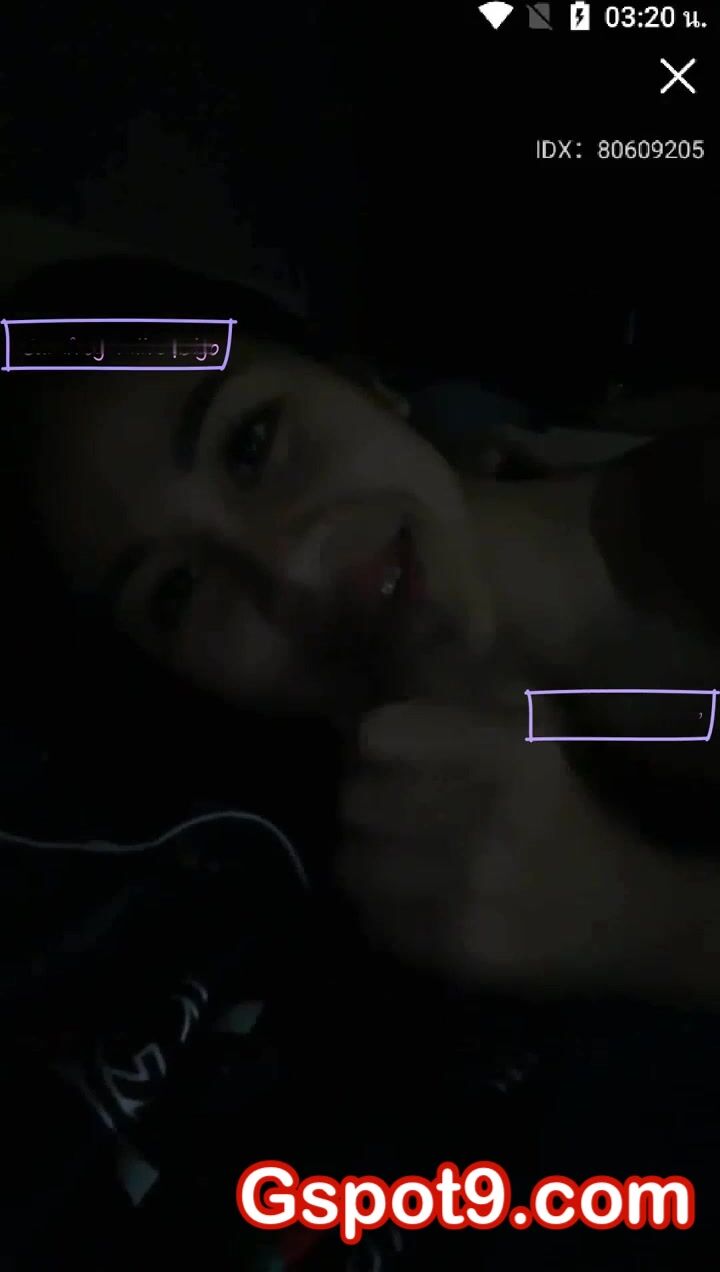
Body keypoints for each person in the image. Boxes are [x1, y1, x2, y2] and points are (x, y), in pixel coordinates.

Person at [2, 253, 719, 1014]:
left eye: (251, 443)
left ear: (362, 381)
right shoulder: (305, 880)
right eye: (176, 592)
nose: (288, 569)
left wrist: (641, 918)